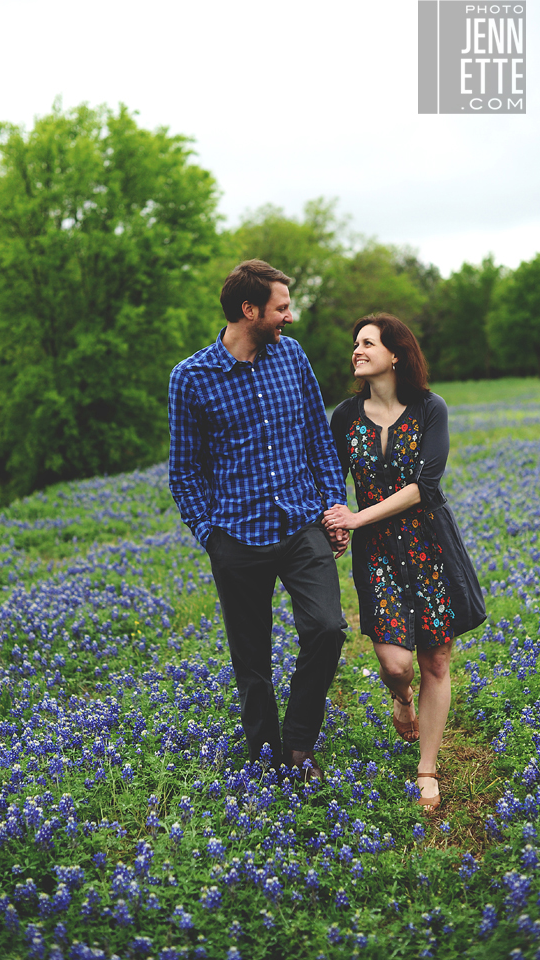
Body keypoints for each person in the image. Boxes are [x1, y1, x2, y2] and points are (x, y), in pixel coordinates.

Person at [168, 260, 349, 780]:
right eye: (281, 308)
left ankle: (298, 744)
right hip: (237, 537)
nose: (289, 318)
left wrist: (333, 507)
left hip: (300, 524)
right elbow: (184, 473)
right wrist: (211, 536)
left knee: (328, 627)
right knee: (252, 660)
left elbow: (318, 438)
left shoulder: (291, 357)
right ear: (249, 310)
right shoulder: (192, 378)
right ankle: (266, 755)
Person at [323, 313, 485, 813]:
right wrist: (336, 521)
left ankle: (427, 768)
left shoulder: (429, 409)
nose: (357, 350)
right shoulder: (346, 416)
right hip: (377, 553)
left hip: (429, 543)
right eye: (355, 343)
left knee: (436, 658)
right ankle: (401, 697)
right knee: (396, 662)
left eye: (368, 342)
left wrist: (356, 517)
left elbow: (426, 486)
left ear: (395, 354)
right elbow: (331, 477)